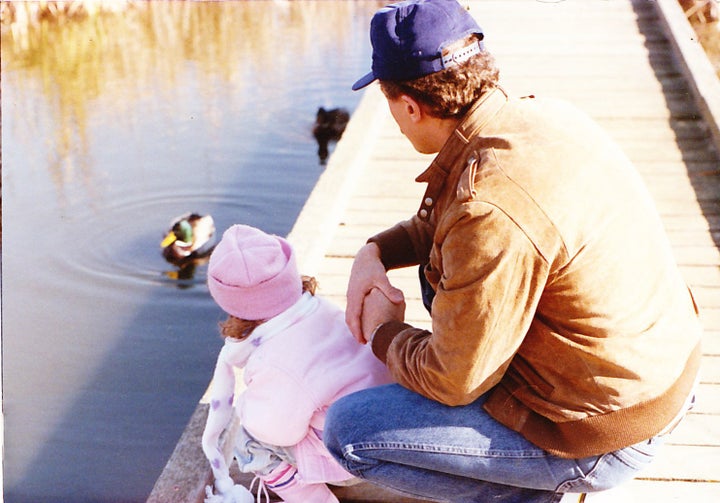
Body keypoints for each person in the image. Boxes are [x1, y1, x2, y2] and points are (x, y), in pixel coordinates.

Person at [322, 1, 703, 502]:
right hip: (659, 373)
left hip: (606, 433)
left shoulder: (489, 209)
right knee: (435, 277)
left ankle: (529, 492)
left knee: (350, 432)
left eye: (387, 101)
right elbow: (446, 221)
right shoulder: (532, 117)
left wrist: (380, 330)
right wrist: (374, 252)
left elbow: (451, 380)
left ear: (409, 106)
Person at [201, 224, 394, 503]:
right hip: (388, 427)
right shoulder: (319, 309)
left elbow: (277, 430)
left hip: (358, 457)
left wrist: (246, 404)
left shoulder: (275, 360)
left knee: (247, 440)